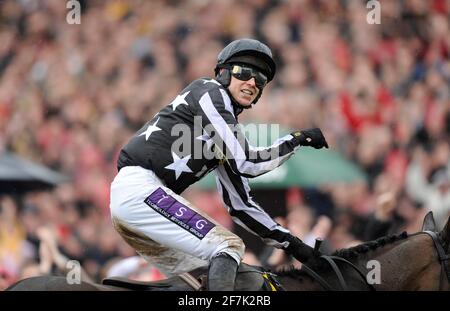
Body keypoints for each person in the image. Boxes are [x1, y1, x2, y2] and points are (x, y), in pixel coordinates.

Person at [110, 38, 329, 291]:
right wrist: (296, 139)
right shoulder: (209, 90)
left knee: (206, 277)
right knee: (230, 246)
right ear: (223, 73)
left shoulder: (222, 132)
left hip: (137, 201)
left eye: (260, 79)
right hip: (140, 191)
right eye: (244, 72)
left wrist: (296, 247)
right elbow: (248, 162)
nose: (252, 82)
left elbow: (241, 205)